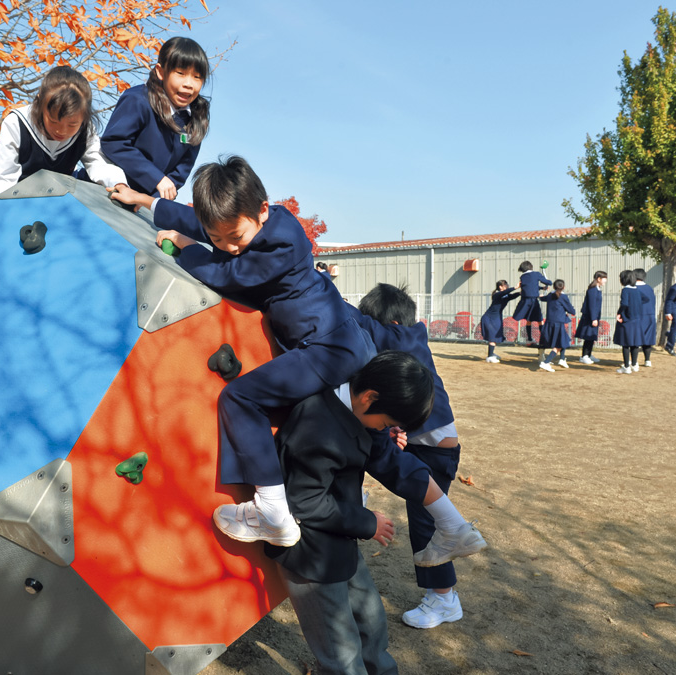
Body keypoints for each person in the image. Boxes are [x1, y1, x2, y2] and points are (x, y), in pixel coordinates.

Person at [111, 156, 375, 547]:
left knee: (240, 398)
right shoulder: (248, 223)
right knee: (321, 423)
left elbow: (227, 274)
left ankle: (270, 508)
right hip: (328, 342)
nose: (229, 247)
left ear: (262, 210)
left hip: (327, 346)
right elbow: (201, 222)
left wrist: (187, 248)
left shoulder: (283, 241)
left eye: (236, 236)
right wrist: (144, 201)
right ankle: (335, 494)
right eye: (217, 240)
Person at [264, 351, 484, 674]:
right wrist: (369, 522)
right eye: (387, 423)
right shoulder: (316, 427)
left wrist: (383, 434)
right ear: (369, 397)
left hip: (339, 541)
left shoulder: (354, 409)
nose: (386, 430)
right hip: (311, 555)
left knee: (372, 623)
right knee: (341, 652)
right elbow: (306, 502)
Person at [351, 283, 486, 629]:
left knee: (428, 526)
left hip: (433, 454)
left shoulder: (402, 338)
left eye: (373, 325)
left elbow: (354, 321)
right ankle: (355, 494)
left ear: (391, 325)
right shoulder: (405, 340)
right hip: (418, 443)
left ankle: (443, 599)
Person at [0, 66, 127, 228]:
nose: (62, 131)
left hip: (42, 197)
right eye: (54, 121)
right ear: (39, 105)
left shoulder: (84, 130)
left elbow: (98, 165)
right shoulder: (17, 122)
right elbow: (4, 181)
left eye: (72, 124)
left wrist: (120, 184)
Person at [99, 36, 210, 198]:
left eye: (197, 77)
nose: (189, 83)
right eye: (180, 73)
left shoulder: (196, 119)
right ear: (160, 71)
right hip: (106, 190)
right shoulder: (138, 99)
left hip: (144, 204)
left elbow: (180, 173)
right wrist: (155, 178)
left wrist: (151, 200)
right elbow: (114, 142)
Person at [536, 280, 577, 372]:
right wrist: (572, 310)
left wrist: (542, 295)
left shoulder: (551, 295)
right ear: (564, 287)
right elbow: (571, 310)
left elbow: (543, 298)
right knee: (560, 344)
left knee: (564, 340)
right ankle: (546, 362)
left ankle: (562, 359)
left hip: (549, 323)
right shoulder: (563, 297)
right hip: (558, 324)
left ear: (554, 287)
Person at [512, 261, 551, 355]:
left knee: (528, 320)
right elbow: (549, 282)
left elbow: (531, 286)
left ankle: (529, 338)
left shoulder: (523, 277)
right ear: (531, 267)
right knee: (540, 320)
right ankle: (544, 339)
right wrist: (547, 282)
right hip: (533, 301)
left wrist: (541, 288)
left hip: (525, 301)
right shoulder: (536, 274)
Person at [479, 280, 520, 363]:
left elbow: (513, 296)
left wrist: (521, 292)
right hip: (489, 318)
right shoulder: (496, 294)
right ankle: (490, 357)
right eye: (505, 285)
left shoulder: (506, 296)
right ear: (500, 287)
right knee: (493, 337)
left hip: (496, 318)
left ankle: (491, 353)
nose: (507, 286)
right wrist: (515, 287)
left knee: (496, 336)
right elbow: (505, 293)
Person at [613, 270, 645, 374]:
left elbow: (624, 304)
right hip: (637, 320)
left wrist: (619, 313)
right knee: (635, 344)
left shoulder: (625, 290)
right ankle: (635, 365)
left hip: (627, 320)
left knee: (626, 344)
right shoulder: (637, 290)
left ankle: (626, 367)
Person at [575, 271, 607, 364]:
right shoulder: (593, 290)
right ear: (599, 279)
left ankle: (588, 355)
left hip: (593, 317)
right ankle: (584, 356)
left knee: (591, 337)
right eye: (604, 278)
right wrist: (594, 318)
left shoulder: (597, 289)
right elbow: (592, 306)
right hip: (590, 318)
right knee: (588, 337)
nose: (605, 280)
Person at [634, 269, 657, 367]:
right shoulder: (649, 288)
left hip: (637, 316)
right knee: (648, 339)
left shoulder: (633, 288)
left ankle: (633, 361)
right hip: (650, 315)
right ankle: (647, 360)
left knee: (634, 339)